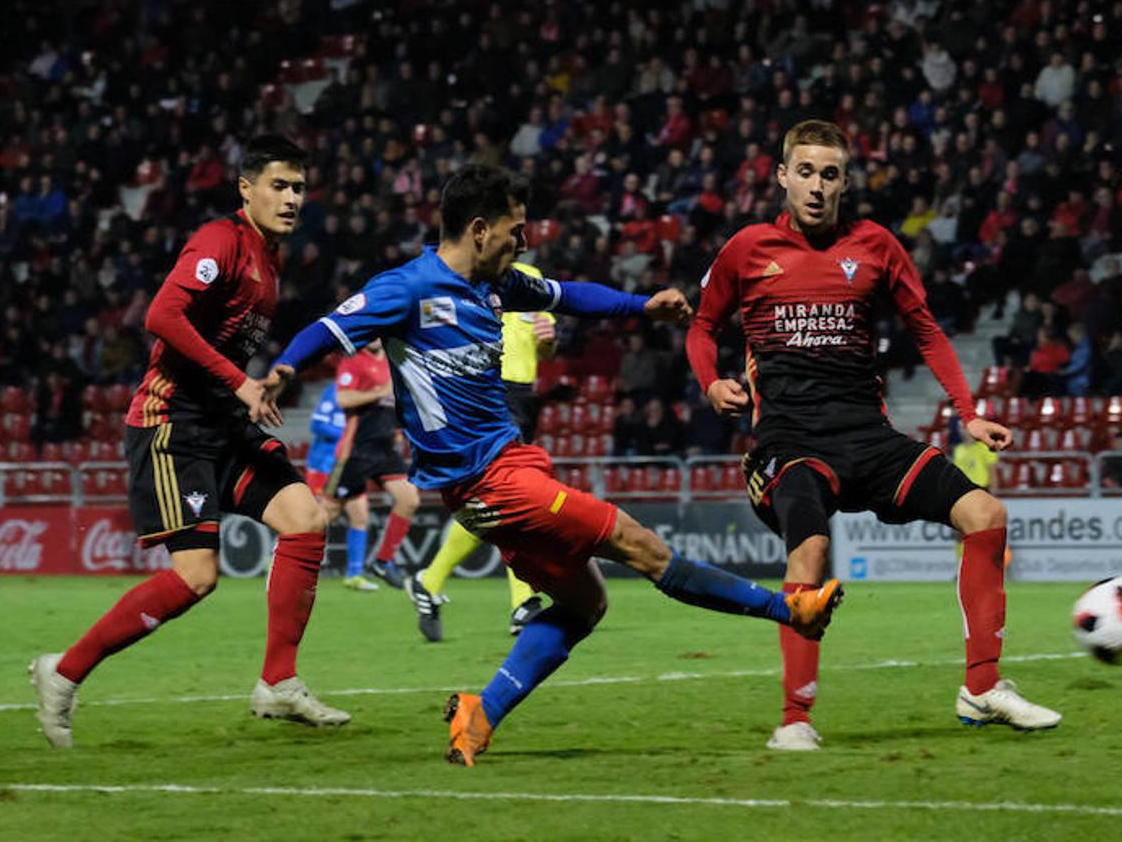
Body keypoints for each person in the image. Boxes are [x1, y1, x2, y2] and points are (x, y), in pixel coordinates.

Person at [264, 164, 844, 768]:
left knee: (586, 604)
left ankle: (478, 715)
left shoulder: (498, 284)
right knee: (637, 543)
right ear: (481, 229)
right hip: (490, 481)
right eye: (517, 230)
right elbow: (329, 327)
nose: (525, 240)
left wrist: (643, 305)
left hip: (509, 470)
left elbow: (570, 296)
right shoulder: (406, 288)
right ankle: (789, 608)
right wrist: (282, 370)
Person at [686, 119, 1060, 752]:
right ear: (782, 176)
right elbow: (702, 326)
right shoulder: (747, 249)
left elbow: (927, 330)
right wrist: (708, 382)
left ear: (845, 183)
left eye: (829, 174)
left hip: (868, 435)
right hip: (789, 440)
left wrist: (967, 412)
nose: (815, 185)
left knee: (986, 514)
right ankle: (795, 719)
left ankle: (982, 687)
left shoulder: (877, 245)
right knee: (810, 552)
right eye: (804, 171)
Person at [29, 136, 346, 749]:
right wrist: (240, 382)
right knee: (196, 577)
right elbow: (162, 317)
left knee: (305, 518)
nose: (290, 198)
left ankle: (278, 682)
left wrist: (264, 381)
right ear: (245, 188)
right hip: (171, 425)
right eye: (278, 185)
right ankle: (63, 673)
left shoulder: (268, 256)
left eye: (299, 188)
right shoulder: (220, 241)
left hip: (221, 423)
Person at [405, 260, 553, 641]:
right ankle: (523, 601)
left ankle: (430, 581)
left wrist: (548, 340)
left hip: (524, 393)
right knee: (511, 493)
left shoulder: (530, 276)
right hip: (488, 388)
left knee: (494, 499)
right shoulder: (463, 273)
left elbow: (544, 348)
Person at [328, 338, 421, 589]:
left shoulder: (393, 363)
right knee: (329, 513)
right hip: (356, 449)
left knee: (409, 498)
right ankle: (290, 544)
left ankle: (383, 561)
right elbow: (343, 398)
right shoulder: (354, 361)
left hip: (385, 450)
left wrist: (400, 428)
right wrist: (380, 391)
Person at [303, 382, 378, 592]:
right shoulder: (336, 390)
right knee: (317, 520)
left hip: (349, 466)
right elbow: (317, 424)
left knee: (360, 515)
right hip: (324, 466)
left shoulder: (369, 396)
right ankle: (285, 559)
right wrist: (349, 435)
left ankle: (354, 575)